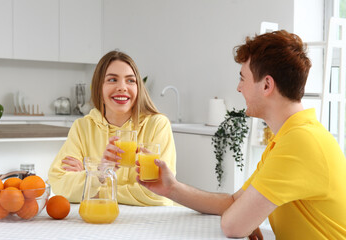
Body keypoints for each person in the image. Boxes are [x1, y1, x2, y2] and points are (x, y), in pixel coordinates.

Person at [136, 30, 346, 239]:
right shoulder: (288, 137)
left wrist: (244, 218)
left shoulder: (299, 141)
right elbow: (234, 203)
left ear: (266, 85)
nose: (239, 88)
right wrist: (172, 188)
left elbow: (233, 226)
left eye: (243, 78)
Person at [48, 51, 176, 206]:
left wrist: (91, 184)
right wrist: (100, 172)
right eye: (112, 79)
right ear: (99, 87)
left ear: (138, 87)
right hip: (97, 218)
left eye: (130, 80)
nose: (122, 87)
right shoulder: (82, 128)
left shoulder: (157, 125)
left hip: (149, 222)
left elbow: (157, 194)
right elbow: (59, 185)